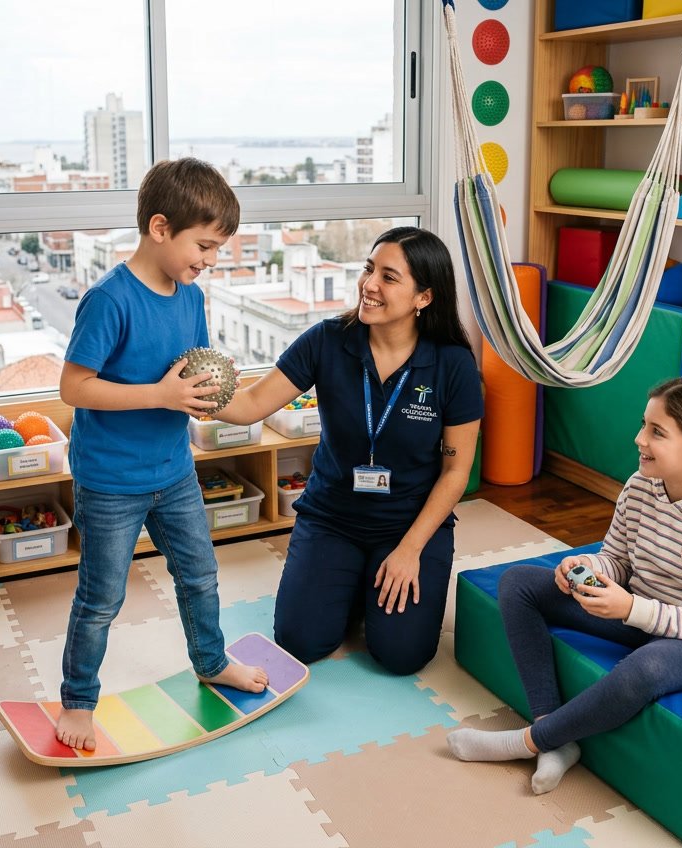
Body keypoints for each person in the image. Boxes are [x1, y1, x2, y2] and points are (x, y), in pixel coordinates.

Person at [446, 376, 682, 795]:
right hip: (641, 610)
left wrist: (630, 609)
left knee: (646, 667)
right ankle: (554, 734)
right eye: (643, 424)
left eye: (657, 432)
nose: (639, 439)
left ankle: (529, 742)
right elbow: (618, 558)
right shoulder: (641, 485)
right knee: (519, 582)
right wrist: (587, 566)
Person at [55, 157, 269, 750]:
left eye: (218, 248)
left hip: (174, 472)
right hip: (110, 481)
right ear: (159, 228)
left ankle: (211, 661)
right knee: (101, 599)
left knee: (200, 575)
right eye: (204, 245)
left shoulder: (191, 298)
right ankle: (78, 701)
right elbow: (74, 388)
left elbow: (190, 373)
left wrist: (208, 394)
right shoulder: (109, 300)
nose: (210, 260)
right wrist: (161, 395)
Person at [214, 226, 482, 675]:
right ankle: (353, 578)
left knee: (401, 655)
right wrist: (194, 393)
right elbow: (252, 404)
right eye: (368, 269)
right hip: (332, 517)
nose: (369, 284)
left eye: (389, 277)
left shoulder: (452, 364)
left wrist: (410, 550)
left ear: (424, 297)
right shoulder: (327, 340)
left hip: (409, 523)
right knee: (300, 641)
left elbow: (456, 473)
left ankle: (366, 579)